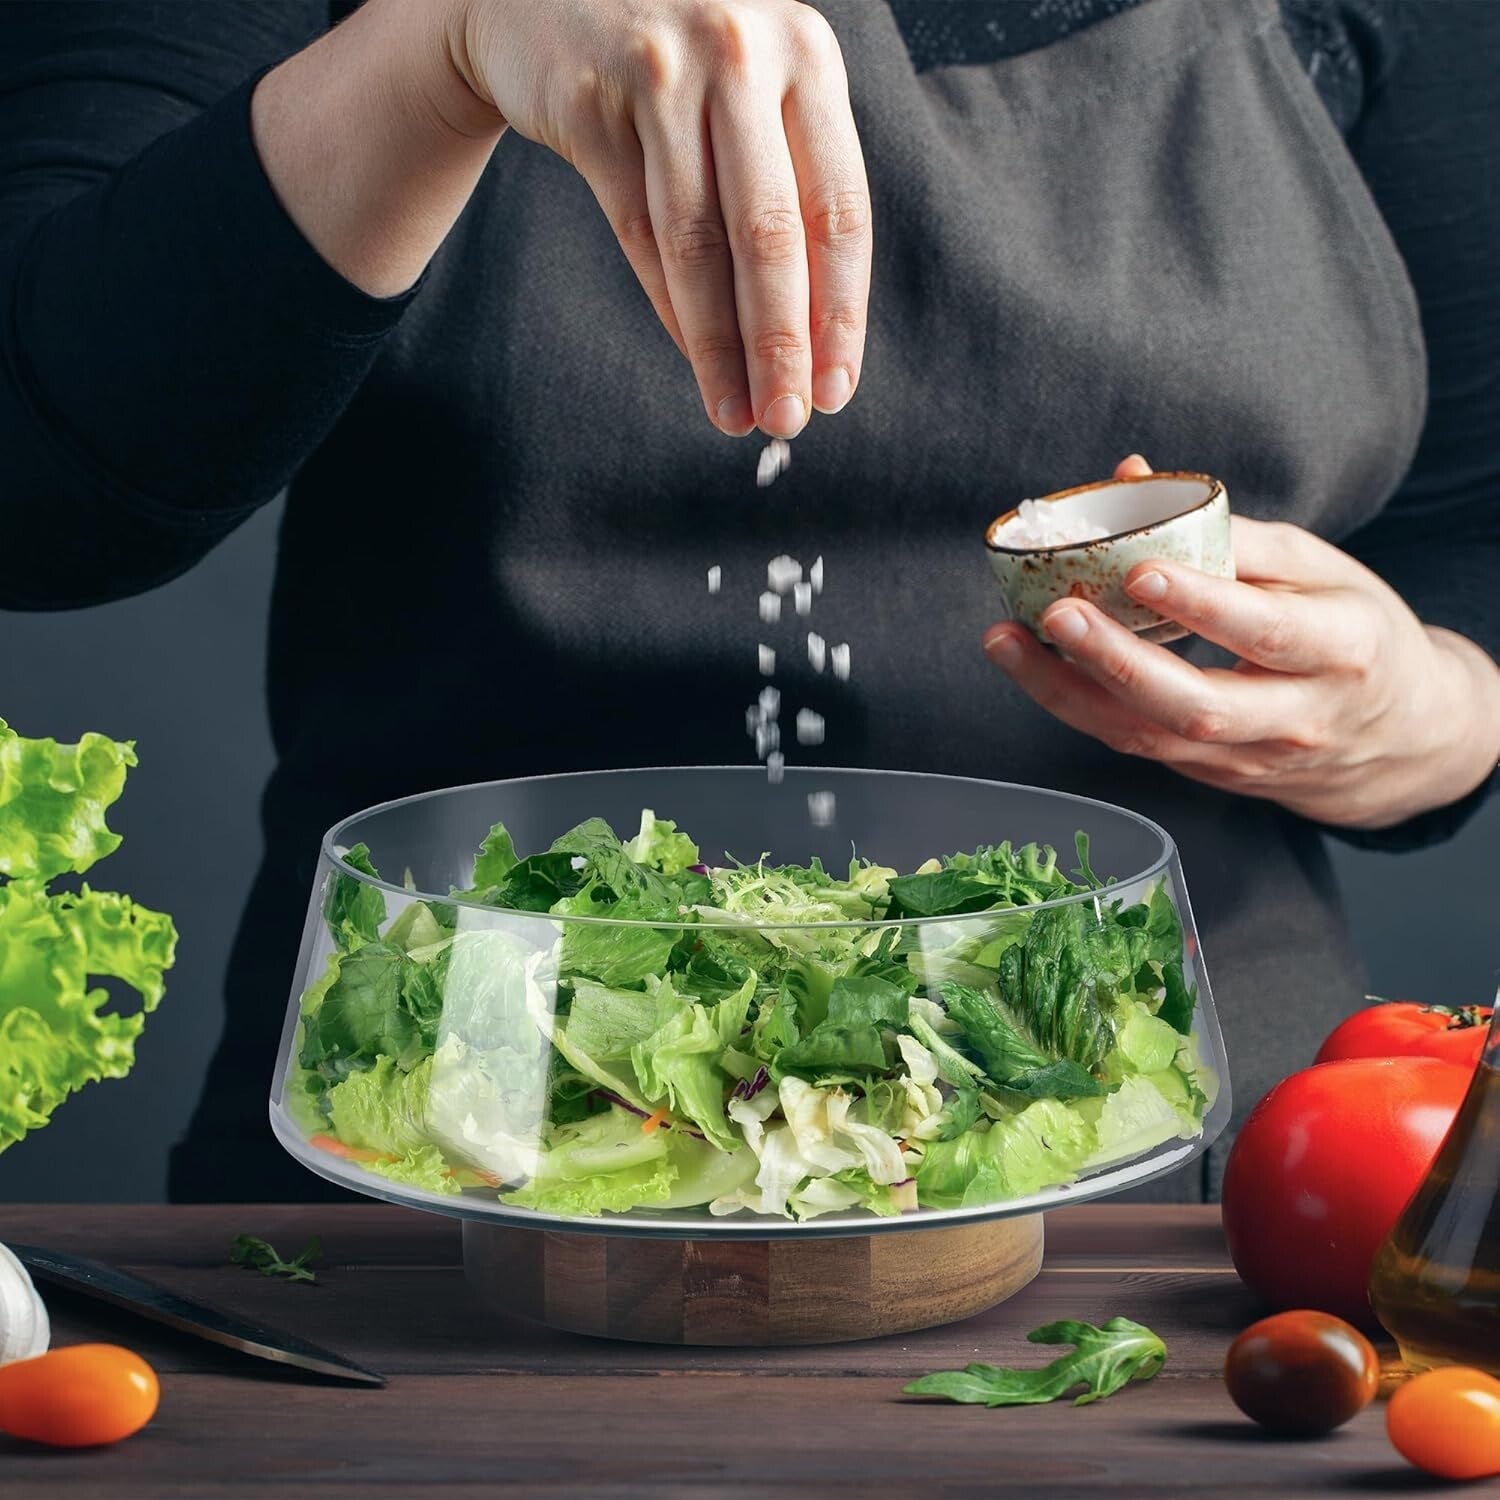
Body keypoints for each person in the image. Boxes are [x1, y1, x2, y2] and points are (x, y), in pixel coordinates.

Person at [1, 0, 1495, 1203]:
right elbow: (39, 484)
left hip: (1181, 1180)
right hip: (455, 1155)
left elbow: (1474, 541)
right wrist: (434, 48)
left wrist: (1423, 712)